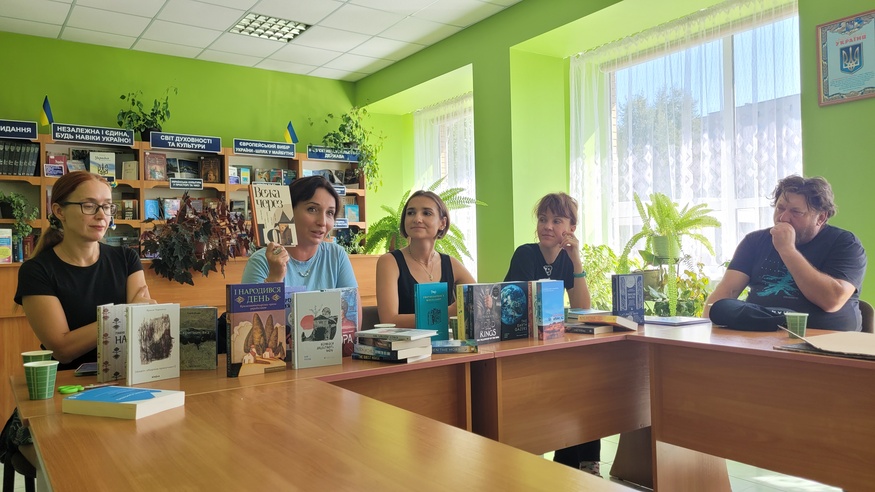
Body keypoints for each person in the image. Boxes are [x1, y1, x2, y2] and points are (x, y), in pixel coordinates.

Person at [3, 171, 155, 464]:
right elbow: (62, 348)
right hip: (64, 391)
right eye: (89, 205)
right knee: (81, 464)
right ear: (59, 211)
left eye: (107, 206)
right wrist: (125, 312)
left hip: (126, 384)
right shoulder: (37, 270)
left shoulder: (126, 259)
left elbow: (143, 322)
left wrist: (132, 314)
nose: (102, 215)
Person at [503, 192, 597, 474]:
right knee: (558, 390)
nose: (547, 226)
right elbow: (518, 308)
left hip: (551, 343)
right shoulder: (526, 254)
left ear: (571, 228)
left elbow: (582, 308)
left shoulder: (567, 260)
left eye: (557, 221)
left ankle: (582, 463)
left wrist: (576, 260)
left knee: (585, 385)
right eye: (543, 219)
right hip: (521, 345)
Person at [705, 175, 866, 331]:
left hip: (826, 340)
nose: (783, 218)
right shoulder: (754, 241)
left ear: (820, 218)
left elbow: (832, 301)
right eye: (780, 208)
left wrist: (787, 250)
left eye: (796, 212)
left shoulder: (845, 244)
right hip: (761, 334)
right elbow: (727, 292)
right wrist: (705, 329)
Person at [376, 190, 476, 326]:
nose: (417, 219)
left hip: (446, 340)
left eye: (427, 213)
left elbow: (479, 297)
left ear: (443, 223)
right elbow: (389, 321)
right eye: (411, 213)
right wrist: (448, 312)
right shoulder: (389, 262)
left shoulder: (451, 264)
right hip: (404, 340)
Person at [242, 175, 358, 292]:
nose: (322, 222)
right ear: (289, 211)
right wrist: (275, 277)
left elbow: (352, 304)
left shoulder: (337, 256)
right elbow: (256, 305)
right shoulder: (261, 261)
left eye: (330, 213)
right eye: (312, 209)